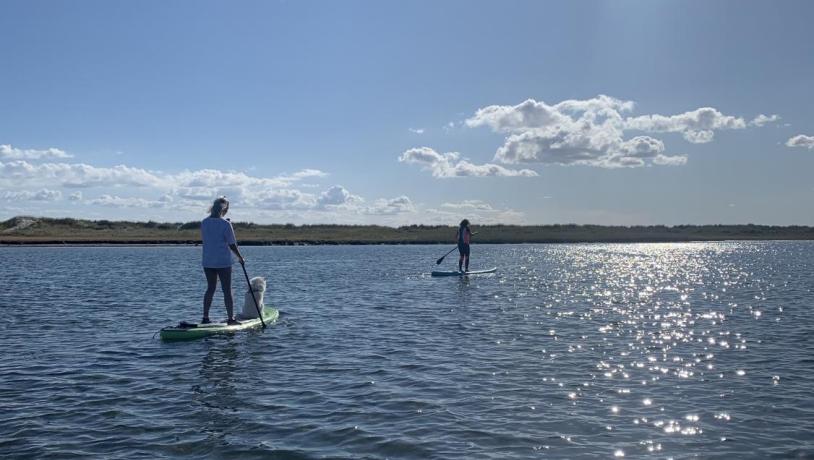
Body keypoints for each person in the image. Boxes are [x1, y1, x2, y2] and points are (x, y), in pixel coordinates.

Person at [201, 196, 245, 325]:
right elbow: (232, 244)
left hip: (208, 261)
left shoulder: (204, 222)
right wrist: (240, 257)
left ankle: (205, 317)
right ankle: (231, 319)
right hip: (223, 261)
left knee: (210, 288)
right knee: (227, 290)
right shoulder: (226, 224)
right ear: (224, 210)